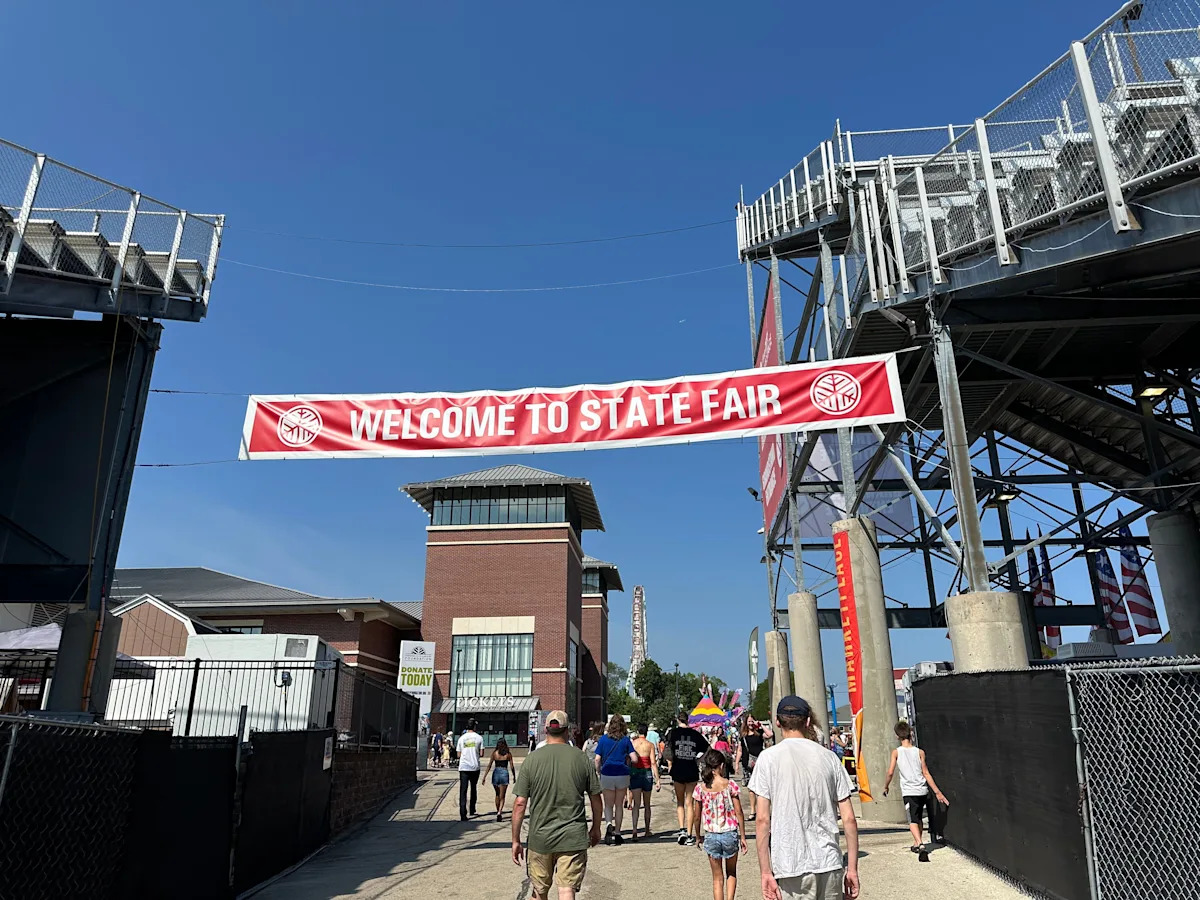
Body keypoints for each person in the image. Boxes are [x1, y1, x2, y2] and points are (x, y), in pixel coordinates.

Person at [749, 696, 859, 900]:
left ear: (777, 722)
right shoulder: (830, 758)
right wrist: (851, 868)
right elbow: (849, 819)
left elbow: (763, 819)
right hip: (829, 861)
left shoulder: (768, 758)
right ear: (808, 721)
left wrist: (766, 871)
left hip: (791, 863)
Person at [512, 710, 602, 900]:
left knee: (539, 890)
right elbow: (596, 798)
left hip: (540, 837)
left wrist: (515, 840)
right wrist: (596, 828)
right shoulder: (581, 758)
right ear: (567, 730)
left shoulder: (532, 760)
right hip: (572, 836)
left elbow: (520, 803)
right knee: (566, 888)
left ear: (546, 730)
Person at [882, 720, 949, 853]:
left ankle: (920, 843)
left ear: (897, 736)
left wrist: (886, 786)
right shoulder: (920, 752)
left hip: (909, 790)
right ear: (910, 734)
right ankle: (915, 842)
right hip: (922, 790)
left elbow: (890, 772)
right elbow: (926, 773)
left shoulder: (896, 752)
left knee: (912, 819)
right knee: (918, 816)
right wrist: (937, 792)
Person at [691, 749, 747, 900]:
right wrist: (743, 836)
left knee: (717, 878)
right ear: (721, 765)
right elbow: (739, 812)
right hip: (729, 832)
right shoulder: (730, 785)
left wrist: (697, 836)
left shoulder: (700, 788)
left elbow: (696, 816)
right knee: (731, 872)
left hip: (711, 834)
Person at [666, 712, 709, 845]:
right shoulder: (695, 734)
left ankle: (682, 829)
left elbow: (667, 750)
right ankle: (690, 834)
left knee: (680, 802)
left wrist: (670, 761)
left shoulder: (673, 733)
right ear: (688, 720)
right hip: (691, 768)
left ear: (677, 720)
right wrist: (699, 759)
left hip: (678, 768)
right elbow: (708, 747)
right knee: (690, 802)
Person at [593, 714, 638, 845]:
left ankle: (608, 824)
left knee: (608, 805)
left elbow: (597, 759)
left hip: (607, 773)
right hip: (622, 774)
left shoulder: (603, 740)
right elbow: (634, 759)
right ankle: (618, 833)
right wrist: (628, 763)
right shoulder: (625, 740)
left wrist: (599, 771)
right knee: (619, 805)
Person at [628, 725, 660, 840]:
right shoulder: (650, 745)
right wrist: (657, 780)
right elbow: (653, 763)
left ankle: (635, 830)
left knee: (636, 804)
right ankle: (647, 830)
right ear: (646, 732)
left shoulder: (633, 744)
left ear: (638, 731)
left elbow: (629, 759)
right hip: (647, 773)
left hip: (635, 772)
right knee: (647, 804)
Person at [456, 720, 485, 821]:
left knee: (463, 790)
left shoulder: (461, 738)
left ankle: (463, 813)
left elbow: (458, 754)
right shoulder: (479, 738)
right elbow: (481, 754)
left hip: (464, 766)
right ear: (475, 727)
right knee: (473, 788)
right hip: (474, 766)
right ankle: (472, 808)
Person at [485, 738, 516, 823]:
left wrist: (484, 777)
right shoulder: (508, 754)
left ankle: (497, 810)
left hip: (496, 772)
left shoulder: (494, 753)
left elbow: (489, 765)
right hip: (504, 772)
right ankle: (499, 812)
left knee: (497, 794)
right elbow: (512, 766)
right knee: (502, 796)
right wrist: (514, 776)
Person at [740, 721, 765, 819]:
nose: (750, 723)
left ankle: (761, 809)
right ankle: (752, 811)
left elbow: (770, 734)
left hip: (759, 763)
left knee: (760, 788)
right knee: (751, 788)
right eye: (749, 721)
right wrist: (737, 763)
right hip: (747, 764)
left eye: (752, 721)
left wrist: (759, 724)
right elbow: (740, 750)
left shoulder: (759, 733)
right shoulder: (743, 736)